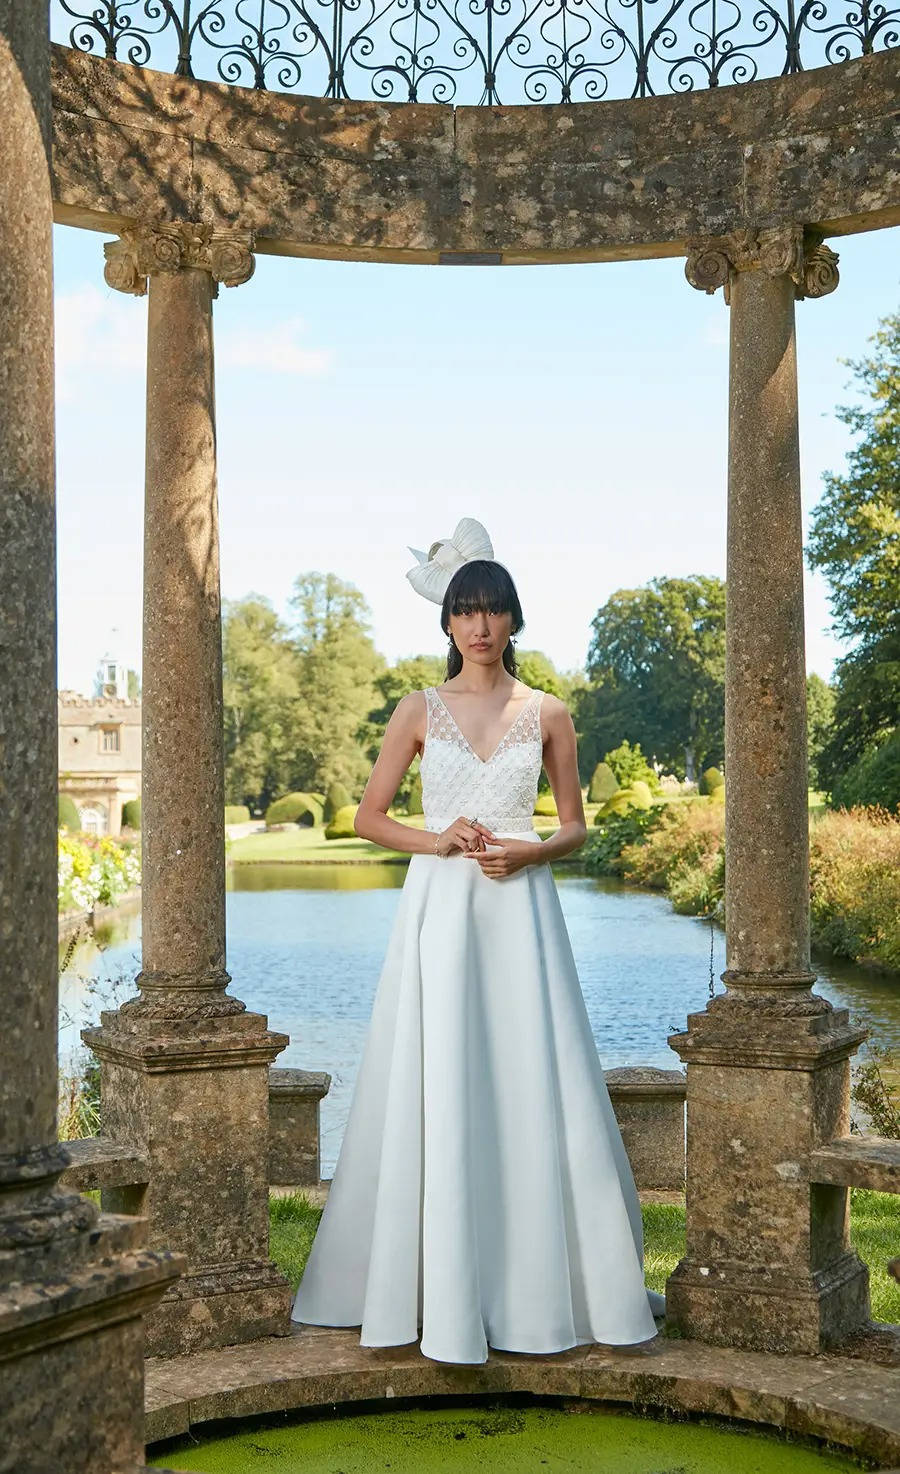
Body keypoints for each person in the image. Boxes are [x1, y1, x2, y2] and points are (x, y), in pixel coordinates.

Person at [290, 516, 662, 1363]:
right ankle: (428, 1292)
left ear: (513, 620)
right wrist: (441, 842)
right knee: (438, 1077)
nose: (481, 627)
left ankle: (544, 1293)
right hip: (442, 913)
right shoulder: (418, 711)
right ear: (448, 623)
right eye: (467, 611)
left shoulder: (551, 714)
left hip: (522, 913)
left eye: (493, 611)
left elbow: (577, 829)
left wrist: (530, 851)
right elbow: (368, 818)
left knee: (534, 1080)